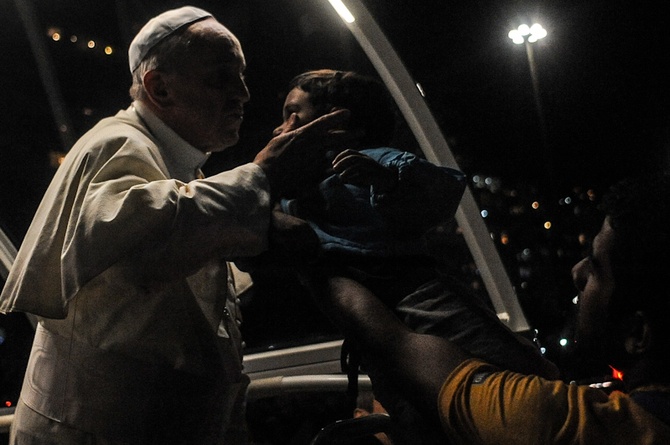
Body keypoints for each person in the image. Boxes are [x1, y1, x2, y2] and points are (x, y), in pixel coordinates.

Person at [0, 6, 353, 445]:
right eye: (222, 77)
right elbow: (136, 246)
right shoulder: (116, 143)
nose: (243, 94)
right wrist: (263, 176)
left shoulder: (176, 167)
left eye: (242, 77)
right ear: (159, 88)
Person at [255, 69, 559, 444]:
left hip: (418, 292)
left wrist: (386, 180)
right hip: (374, 316)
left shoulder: (373, 160)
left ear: (338, 123)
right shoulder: (301, 187)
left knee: (510, 376)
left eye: (294, 113)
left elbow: (440, 190)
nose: (280, 127)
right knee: (419, 410)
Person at [306, 171, 670, 444]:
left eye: (596, 269)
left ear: (638, 333)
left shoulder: (574, 426)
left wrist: (304, 256)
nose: (577, 272)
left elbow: (397, 346)